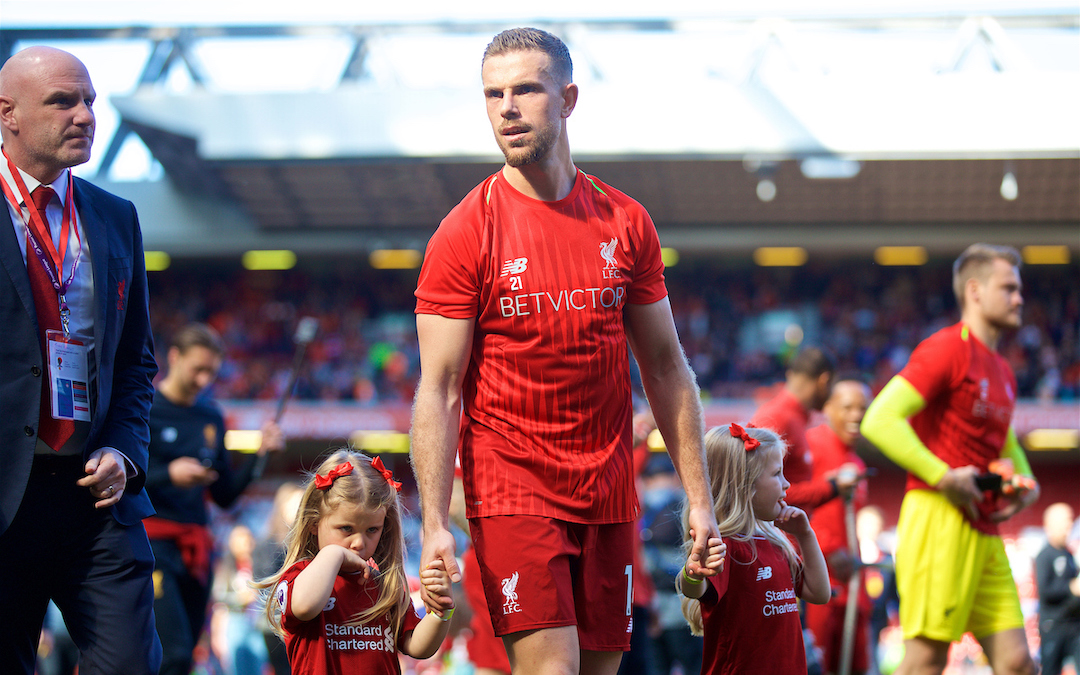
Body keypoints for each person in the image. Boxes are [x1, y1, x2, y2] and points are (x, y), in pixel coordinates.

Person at [410, 26, 722, 675]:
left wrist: (700, 498)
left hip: (609, 489)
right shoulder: (465, 231)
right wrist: (436, 522)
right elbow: (437, 389)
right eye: (494, 94)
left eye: (526, 89)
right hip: (511, 488)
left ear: (569, 98)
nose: (508, 108)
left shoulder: (625, 221)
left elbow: (666, 367)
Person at [0, 45, 161, 674]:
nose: (85, 114)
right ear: (7, 113)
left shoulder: (116, 217)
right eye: (63, 101)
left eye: (89, 99)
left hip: (95, 496)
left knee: (128, 664)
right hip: (6, 495)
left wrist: (123, 450)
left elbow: (135, 364)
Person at [861, 243, 1040, 675]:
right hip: (938, 517)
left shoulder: (1003, 369)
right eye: (1009, 288)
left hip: (983, 529)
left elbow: (1004, 440)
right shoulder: (946, 348)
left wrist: (1027, 482)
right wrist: (943, 477)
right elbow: (880, 419)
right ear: (975, 291)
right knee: (926, 660)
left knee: (1018, 662)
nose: (1020, 298)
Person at [144, 322, 285, 675]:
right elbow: (125, 476)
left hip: (197, 549)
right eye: (198, 369)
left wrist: (258, 455)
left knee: (186, 652)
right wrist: (168, 474)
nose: (205, 380)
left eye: (212, 372)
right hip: (151, 545)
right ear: (174, 357)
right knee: (170, 651)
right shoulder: (144, 408)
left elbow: (223, 495)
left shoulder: (211, 417)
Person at [258, 450, 454, 675]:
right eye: (346, 529)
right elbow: (304, 606)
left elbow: (416, 646)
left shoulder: (384, 584)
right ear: (314, 523)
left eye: (372, 530)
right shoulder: (298, 576)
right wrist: (335, 554)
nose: (359, 542)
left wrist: (441, 611)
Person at [678, 424, 830, 675]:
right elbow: (697, 590)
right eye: (777, 474)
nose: (787, 484)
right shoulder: (725, 545)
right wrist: (693, 574)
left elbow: (819, 593)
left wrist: (805, 535)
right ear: (744, 484)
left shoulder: (775, 543)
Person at [804, 378, 872, 675]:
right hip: (819, 577)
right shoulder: (812, 445)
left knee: (855, 663)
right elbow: (793, 502)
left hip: (851, 581)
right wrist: (828, 549)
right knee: (820, 663)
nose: (856, 415)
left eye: (863, 408)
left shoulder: (857, 462)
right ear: (828, 408)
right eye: (848, 407)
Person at [751, 347, 858, 515]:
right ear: (824, 380)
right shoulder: (778, 418)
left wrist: (826, 485)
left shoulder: (792, 417)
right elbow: (758, 490)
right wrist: (831, 487)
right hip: (779, 538)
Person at [254, 482, 305, 675]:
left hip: (301, 622)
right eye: (295, 504)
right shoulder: (268, 544)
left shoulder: (307, 543)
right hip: (276, 624)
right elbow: (265, 585)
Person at [1035, 502, 1080, 675]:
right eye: (1065, 521)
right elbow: (1045, 591)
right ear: (1051, 524)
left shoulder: (1069, 554)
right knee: (1051, 670)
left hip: (1074, 625)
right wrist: (1071, 588)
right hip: (1053, 626)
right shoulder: (1045, 555)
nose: (1069, 525)